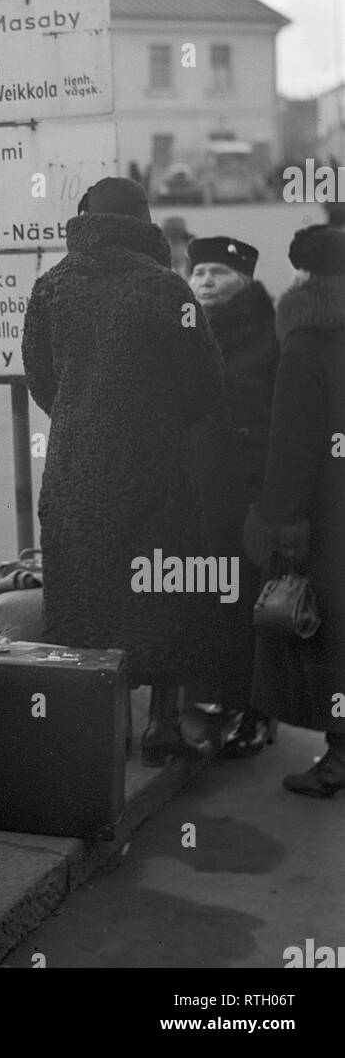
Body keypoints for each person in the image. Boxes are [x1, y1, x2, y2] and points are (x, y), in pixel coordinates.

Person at [21, 177, 225, 763]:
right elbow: (205, 383)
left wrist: (82, 415)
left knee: (84, 598)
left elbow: (41, 380)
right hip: (156, 472)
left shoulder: (52, 287)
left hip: (74, 472)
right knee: (164, 591)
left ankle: (99, 739)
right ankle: (163, 725)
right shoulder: (166, 290)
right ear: (145, 221)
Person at [244, 225, 345, 797]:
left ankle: (338, 759)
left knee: (332, 637)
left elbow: (292, 445)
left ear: (305, 278)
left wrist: (276, 522)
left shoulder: (306, 343)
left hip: (330, 519)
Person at [187, 236, 279, 755]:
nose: (204, 282)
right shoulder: (186, 332)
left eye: (217, 272)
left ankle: (257, 711)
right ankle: (218, 697)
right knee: (209, 597)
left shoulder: (269, 335)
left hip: (249, 494)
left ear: (242, 279)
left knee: (251, 604)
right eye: (198, 272)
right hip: (200, 489)